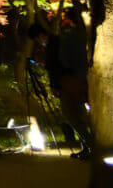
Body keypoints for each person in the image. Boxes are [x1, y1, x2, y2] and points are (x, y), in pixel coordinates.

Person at [28, 15, 91, 157]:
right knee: (79, 115)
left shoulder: (54, 45)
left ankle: (90, 145)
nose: (38, 43)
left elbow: (56, 67)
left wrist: (55, 85)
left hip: (66, 85)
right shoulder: (59, 42)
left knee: (72, 115)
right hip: (73, 82)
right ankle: (87, 146)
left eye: (37, 39)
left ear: (39, 35)